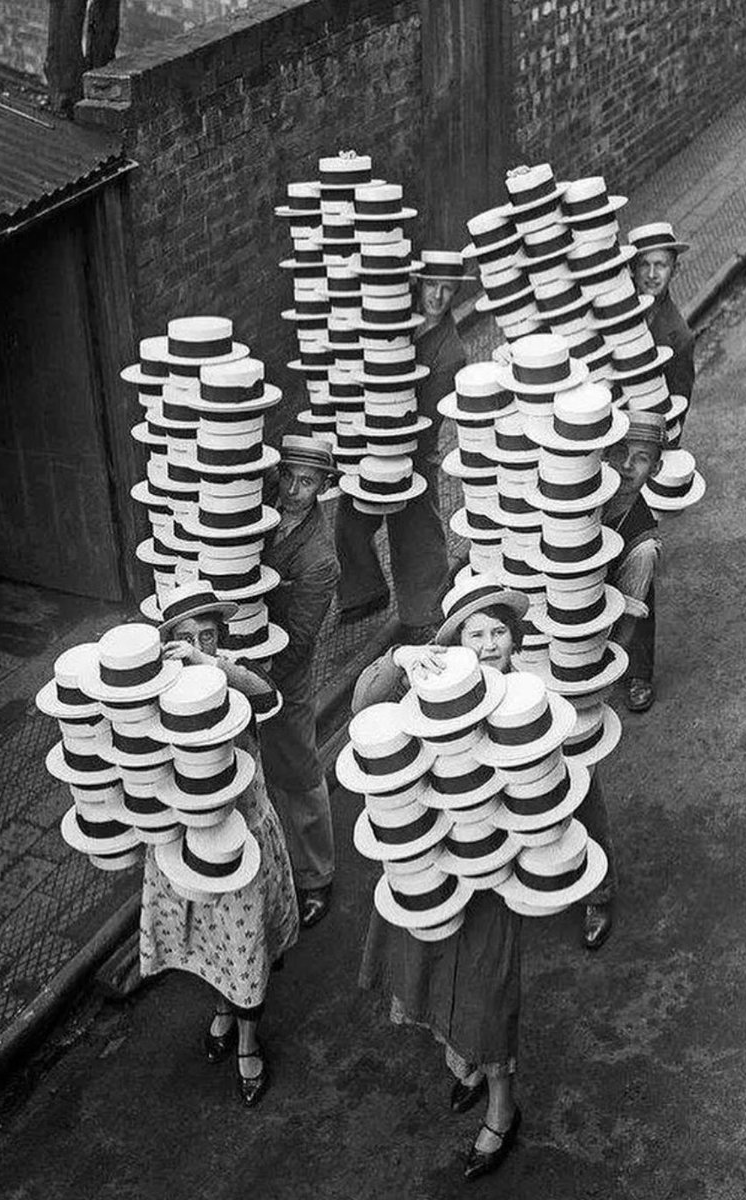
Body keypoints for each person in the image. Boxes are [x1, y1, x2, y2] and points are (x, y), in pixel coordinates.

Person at [355, 575, 614, 1176]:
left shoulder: (526, 701)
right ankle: (464, 1065)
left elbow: (571, 793)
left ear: (515, 639)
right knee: (430, 967)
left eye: (501, 630)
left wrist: (580, 873)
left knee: (489, 987)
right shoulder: (426, 693)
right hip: (432, 862)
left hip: (500, 873)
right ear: (457, 644)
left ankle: (502, 1107)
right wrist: (400, 655)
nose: (491, 641)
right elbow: (365, 703)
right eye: (477, 632)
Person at [141, 583, 299, 1108]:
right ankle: (223, 1009)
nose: (196, 646)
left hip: (242, 839)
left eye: (206, 636)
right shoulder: (153, 693)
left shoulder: (232, 677)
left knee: (246, 944)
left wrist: (214, 667)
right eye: (184, 639)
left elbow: (269, 698)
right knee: (209, 940)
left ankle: (249, 1044)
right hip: (188, 844)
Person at [335, 251, 470, 631]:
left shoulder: (450, 353)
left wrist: (397, 458)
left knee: (416, 530)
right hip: (372, 437)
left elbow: (427, 421)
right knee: (352, 515)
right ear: (419, 284)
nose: (438, 297)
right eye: (432, 285)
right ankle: (364, 592)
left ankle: (426, 610)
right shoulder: (394, 318)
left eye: (448, 289)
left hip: (414, 445)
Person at [260, 434, 341, 929]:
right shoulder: (261, 506)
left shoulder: (318, 558)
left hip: (284, 670)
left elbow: (301, 638)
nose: (293, 489)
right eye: (287, 476)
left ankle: (316, 875)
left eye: (307, 482)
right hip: (239, 655)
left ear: (323, 487)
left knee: (298, 769)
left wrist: (260, 682)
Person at [602, 411, 665, 715]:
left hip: (626, 589)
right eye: (619, 453)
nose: (626, 465)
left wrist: (609, 666)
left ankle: (638, 673)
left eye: (641, 458)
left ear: (655, 469)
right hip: (587, 579)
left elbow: (631, 612)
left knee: (640, 601)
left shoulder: (643, 539)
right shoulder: (586, 491)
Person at [628, 222, 695, 441]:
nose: (652, 274)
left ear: (675, 270)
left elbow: (678, 404)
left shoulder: (679, 337)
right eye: (644, 265)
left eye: (661, 265)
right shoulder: (616, 308)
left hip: (645, 433)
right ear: (632, 269)